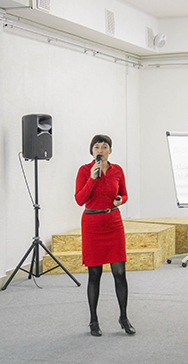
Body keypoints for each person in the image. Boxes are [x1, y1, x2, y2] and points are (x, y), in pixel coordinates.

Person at [75, 134, 135, 337]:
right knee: (94, 274)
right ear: (92, 151)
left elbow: (124, 194)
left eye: (104, 147)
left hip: (114, 223)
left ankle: (124, 317)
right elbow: (80, 199)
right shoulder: (85, 171)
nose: (100, 150)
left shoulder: (118, 170)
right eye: (96, 147)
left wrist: (120, 200)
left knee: (120, 273)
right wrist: (92, 179)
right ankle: (93, 320)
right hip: (92, 225)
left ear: (110, 150)